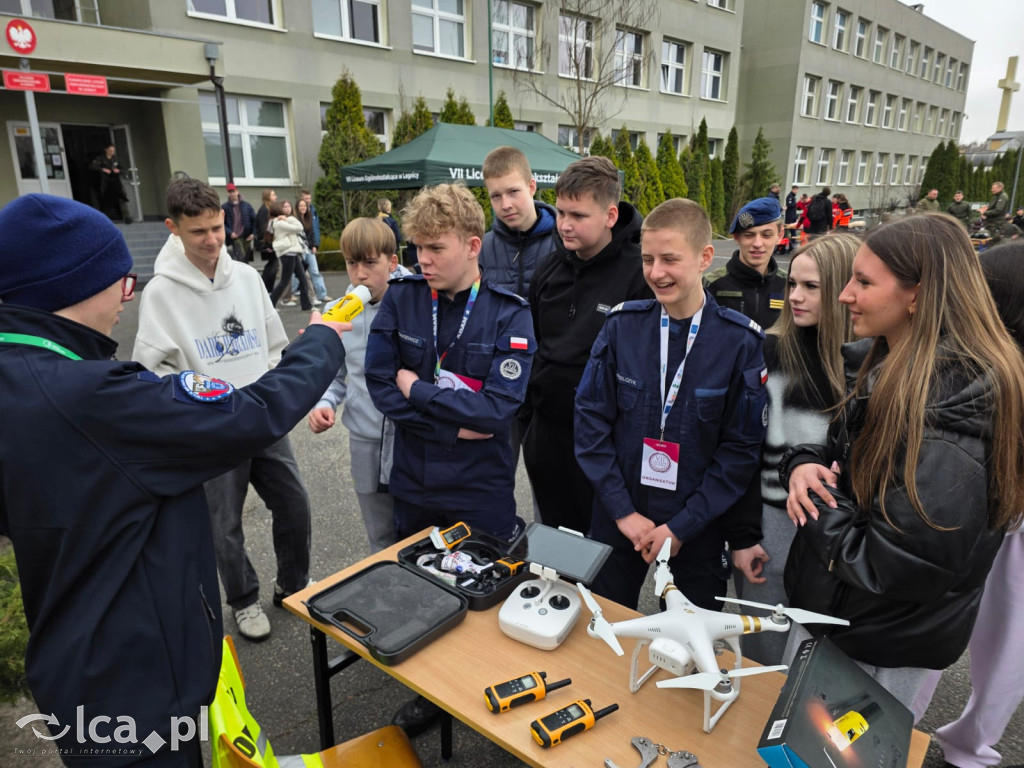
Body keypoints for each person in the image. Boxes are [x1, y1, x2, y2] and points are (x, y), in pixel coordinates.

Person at [0, 193, 346, 764]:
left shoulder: (20, 377)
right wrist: (324, 338)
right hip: (137, 687)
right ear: (70, 287)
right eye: (120, 283)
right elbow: (251, 414)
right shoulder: (89, 396)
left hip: (77, 666)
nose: (126, 297)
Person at [781, 213, 1024, 710]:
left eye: (863, 282)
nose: (844, 294)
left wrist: (816, 508)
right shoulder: (892, 369)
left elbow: (898, 566)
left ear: (919, 295)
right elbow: (846, 459)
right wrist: (803, 463)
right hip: (843, 625)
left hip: (874, 649)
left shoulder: (950, 412)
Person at [365, 183, 535, 735]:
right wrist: (451, 422)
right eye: (417, 247)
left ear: (472, 245)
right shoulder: (404, 296)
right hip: (415, 479)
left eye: (436, 248)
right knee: (417, 586)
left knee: (484, 588)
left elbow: (497, 412)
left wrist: (418, 390)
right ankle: (428, 692)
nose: (423, 259)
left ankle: (484, 685)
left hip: (479, 486)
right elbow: (379, 382)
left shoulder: (509, 313)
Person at [133, 178, 321, 642]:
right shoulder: (161, 293)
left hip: (260, 414)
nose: (212, 240)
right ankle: (242, 599)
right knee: (224, 524)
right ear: (172, 228)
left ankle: (293, 584)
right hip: (211, 427)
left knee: (294, 504)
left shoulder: (247, 278)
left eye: (217, 228)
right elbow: (151, 371)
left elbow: (274, 346)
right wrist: (193, 409)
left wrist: (276, 394)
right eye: (198, 232)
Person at [574, 197, 767, 610]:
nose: (656, 273)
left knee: (686, 640)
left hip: (696, 524)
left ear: (705, 258)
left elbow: (740, 450)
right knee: (604, 625)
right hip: (620, 514)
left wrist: (682, 526)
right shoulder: (622, 328)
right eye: (648, 259)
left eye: (670, 259)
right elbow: (590, 422)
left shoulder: (739, 342)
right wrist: (622, 512)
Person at [909, 242, 1024, 768]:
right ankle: (964, 746)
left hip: (991, 515)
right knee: (996, 642)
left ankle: (946, 737)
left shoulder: (975, 357)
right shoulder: (966, 354)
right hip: (971, 509)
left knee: (987, 638)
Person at [725, 233, 859, 666]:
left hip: (840, 531)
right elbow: (740, 451)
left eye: (811, 287)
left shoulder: (869, 364)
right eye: (792, 284)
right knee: (763, 656)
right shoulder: (767, 350)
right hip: (771, 525)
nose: (795, 297)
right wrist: (743, 536)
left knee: (819, 662)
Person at [522, 155, 651, 535]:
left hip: (607, 440)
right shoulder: (547, 269)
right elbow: (533, 347)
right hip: (547, 435)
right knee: (556, 547)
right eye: (561, 212)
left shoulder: (639, 274)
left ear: (610, 215)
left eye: (578, 215)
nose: (564, 224)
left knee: (604, 553)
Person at [309, 217, 410, 553]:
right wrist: (324, 403)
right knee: (379, 533)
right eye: (352, 263)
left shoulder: (417, 300)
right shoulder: (337, 312)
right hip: (365, 437)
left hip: (411, 435)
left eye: (370, 263)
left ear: (392, 262)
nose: (360, 274)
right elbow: (334, 374)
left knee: (418, 528)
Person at [479, 145, 557, 298]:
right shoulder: (481, 250)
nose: (505, 205)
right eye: (496, 196)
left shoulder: (564, 244)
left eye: (513, 192)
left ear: (531, 187)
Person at [704, 196, 788, 330]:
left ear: (780, 235)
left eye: (766, 235)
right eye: (749, 235)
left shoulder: (789, 285)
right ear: (737, 237)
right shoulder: (710, 285)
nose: (757, 244)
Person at [268, 200, 313, 311]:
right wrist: (288, 219)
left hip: (292, 252)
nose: (287, 209)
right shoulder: (279, 223)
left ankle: (306, 305)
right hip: (287, 253)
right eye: (284, 207)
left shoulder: (282, 221)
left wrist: (287, 219)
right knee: (284, 281)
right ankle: (270, 305)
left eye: (288, 206)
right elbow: (299, 227)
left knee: (302, 278)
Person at [89, 143, 129, 222]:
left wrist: (118, 170)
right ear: (106, 150)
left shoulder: (115, 159)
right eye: (111, 150)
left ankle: (126, 216)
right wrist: (103, 169)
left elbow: (122, 169)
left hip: (116, 182)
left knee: (122, 199)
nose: (112, 152)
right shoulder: (101, 159)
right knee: (107, 201)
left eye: (113, 150)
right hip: (106, 183)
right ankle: (105, 218)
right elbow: (92, 166)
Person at [222, 182, 256, 262]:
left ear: (237, 191)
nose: (232, 194)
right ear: (227, 194)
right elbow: (222, 223)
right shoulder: (225, 207)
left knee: (246, 259)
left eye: (233, 191)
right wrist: (230, 233)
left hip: (246, 236)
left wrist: (253, 234)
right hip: (235, 237)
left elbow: (254, 220)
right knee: (241, 259)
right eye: (230, 192)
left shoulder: (246, 205)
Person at [255, 188, 278, 291]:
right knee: (272, 266)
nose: (275, 197)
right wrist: (268, 244)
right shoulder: (263, 210)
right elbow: (263, 229)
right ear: (268, 197)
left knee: (272, 265)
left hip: (270, 242)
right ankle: (265, 288)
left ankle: (267, 288)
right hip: (266, 243)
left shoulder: (269, 209)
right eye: (273, 195)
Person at [784, 185, 799, 253]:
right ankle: (787, 244)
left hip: (793, 216)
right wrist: (796, 204)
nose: (796, 191)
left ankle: (793, 243)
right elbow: (789, 205)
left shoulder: (793, 196)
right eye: (795, 189)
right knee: (788, 231)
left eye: (797, 189)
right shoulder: (790, 196)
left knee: (793, 230)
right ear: (792, 189)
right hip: (790, 217)